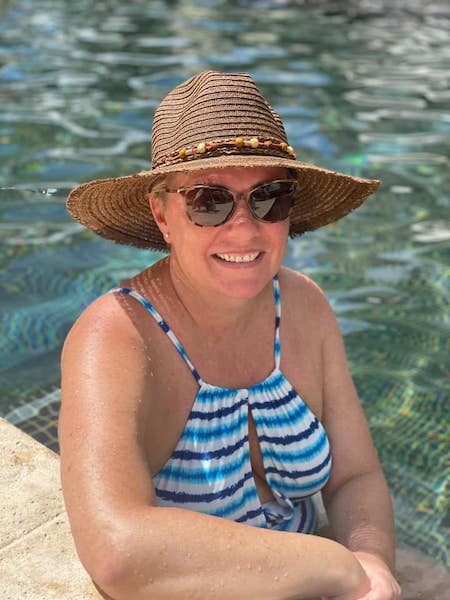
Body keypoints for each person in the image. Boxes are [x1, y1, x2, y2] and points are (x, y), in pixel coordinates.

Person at [59, 71, 402, 600]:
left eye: (270, 199)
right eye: (208, 201)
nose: (244, 228)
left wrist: (373, 565)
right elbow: (118, 552)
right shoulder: (117, 336)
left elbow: (355, 475)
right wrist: (338, 567)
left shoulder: (303, 306)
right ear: (162, 213)